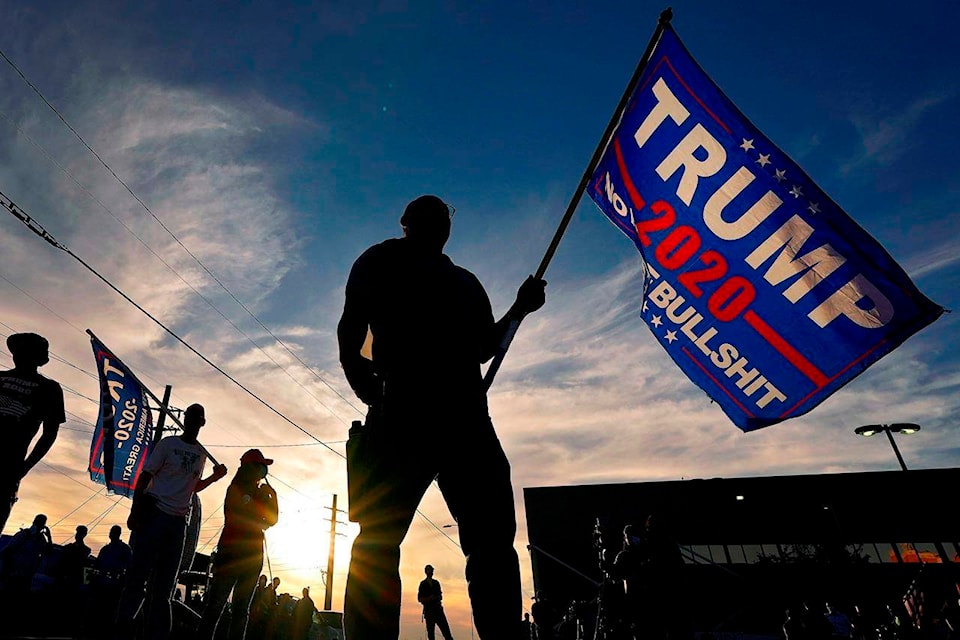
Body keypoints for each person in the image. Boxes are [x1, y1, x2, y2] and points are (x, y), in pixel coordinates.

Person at [339, 195, 546, 640]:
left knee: (490, 545)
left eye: (444, 217)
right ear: (407, 223)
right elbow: (351, 326)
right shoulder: (379, 261)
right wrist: (361, 379)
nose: (439, 224)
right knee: (378, 539)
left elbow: (485, 345)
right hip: (405, 413)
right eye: (430, 217)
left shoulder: (465, 283)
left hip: (463, 419)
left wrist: (519, 309)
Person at [114, 403, 227, 640]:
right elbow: (146, 476)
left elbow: (192, 487)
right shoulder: (167, 444)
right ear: (184, 419)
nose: (193, 421)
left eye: (198, 418)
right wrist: (135, 511)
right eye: (190, 417)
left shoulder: (202, 454)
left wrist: (214, 479)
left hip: (178, 523)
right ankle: (123, 628)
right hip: (155, 513)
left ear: (202, 423)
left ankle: (155, 634)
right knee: (138, 577)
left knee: (164, 586)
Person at [196, 449, 279, 640]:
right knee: (216, 605)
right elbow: (243, 518)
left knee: (241, 611)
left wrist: (272, 497)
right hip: (231, 554)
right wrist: (260, 517)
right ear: (250, 468)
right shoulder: (236, 489)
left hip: (252, 557)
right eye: (261, 466)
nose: (263, 472)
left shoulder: (261, 493)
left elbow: (272, 520)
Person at [0, 333, 65, 531]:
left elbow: (50, 433)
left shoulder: (49, 388)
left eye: (25, 350)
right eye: (17, 350)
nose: (18, 354)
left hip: (7, 468)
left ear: (38, 357)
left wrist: (25, 466)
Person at [418, 564, 455, 640]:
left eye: (431, 570)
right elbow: (420, 599)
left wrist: (436, 598)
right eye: (429, 570)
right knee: (431, 635)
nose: (431, 572)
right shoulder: (423, 584)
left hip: (438, 610)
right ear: (426, 572)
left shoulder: (436, 583)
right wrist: (429, 599)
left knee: (446, 633)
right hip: (429, 612)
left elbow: (440, 596)